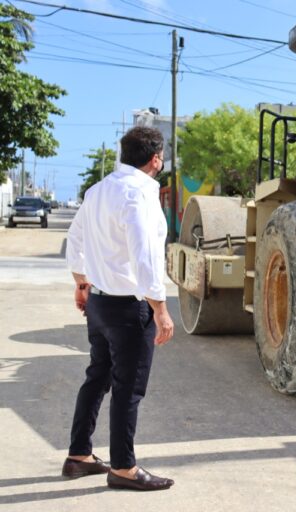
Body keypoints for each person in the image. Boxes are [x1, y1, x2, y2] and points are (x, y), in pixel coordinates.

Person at [62, 126, 175, 491]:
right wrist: (160, 308)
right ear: (156, 159)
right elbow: (144, 256)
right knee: (128, 389)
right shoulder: (140, 193)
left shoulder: (97, 191)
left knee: (97, 377)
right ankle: (124, 468)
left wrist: (82, 283)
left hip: (98, 304)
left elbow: (75, 237)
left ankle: (79, 456)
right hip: (129, 308)